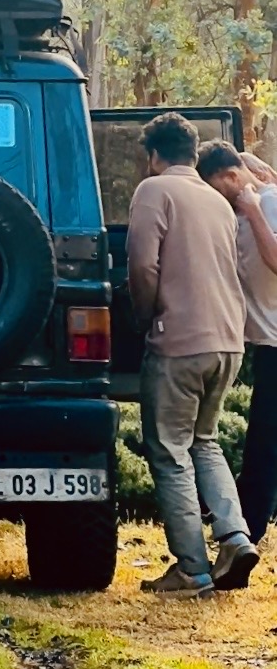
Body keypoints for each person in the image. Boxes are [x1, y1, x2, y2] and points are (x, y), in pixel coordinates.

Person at [127, 112, 257, 596]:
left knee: (168, 451)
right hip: (227, 339)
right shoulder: (217, 200)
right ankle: (235, 536)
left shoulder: (154, 191)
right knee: (204, 441)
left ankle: (191, 570)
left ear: (154, 155)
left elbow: (142, 264)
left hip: (178, 341)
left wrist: (146, 314)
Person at [197, 140, 277, 546]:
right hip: (265, 346)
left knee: (265, 443)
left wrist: (251, 207)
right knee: (262, 440)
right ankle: (244, 528)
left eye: (219, 189)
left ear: (231, 177)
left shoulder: (268, 203)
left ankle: (248, 530)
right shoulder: (244, 205)